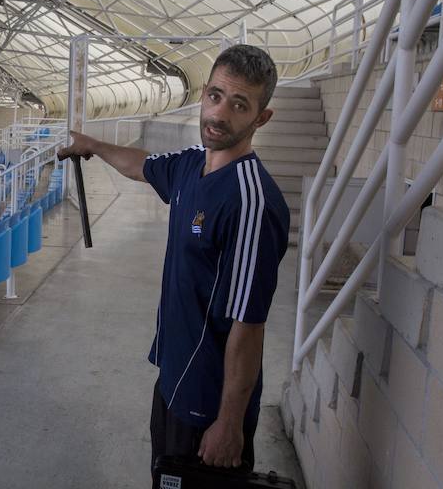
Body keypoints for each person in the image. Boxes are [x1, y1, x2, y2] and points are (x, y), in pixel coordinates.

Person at [57, 44, 290, 481]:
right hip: (173, 378)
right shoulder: (190, 166)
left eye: (239, 105)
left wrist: (229, 423)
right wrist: (93, 145)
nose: (220, 114)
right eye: (216, 96)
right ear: (204, 93)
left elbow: (248, 325)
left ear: (261, 118)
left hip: (209, 400)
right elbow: (142, 165)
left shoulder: (250, 203)